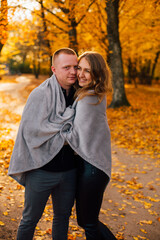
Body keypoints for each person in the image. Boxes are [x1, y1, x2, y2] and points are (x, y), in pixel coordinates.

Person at [8, 48, 78, 240]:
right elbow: (32, 133)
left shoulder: (80, 95)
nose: (72, 71)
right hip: (41, 170)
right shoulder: (39, 94)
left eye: (75, 66)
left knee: (63, 217)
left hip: (69, 171)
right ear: (54, 69)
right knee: (30, 219)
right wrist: (67, 134)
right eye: (66, 67)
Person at [63, 51, 117, 239]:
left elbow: (76, 137)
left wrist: (54, 129)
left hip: (92, 168)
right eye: (80, 68)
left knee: (89, 223)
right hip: (92, 167)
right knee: (86, 221)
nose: (81, 74)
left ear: (98, 74)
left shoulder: (88, 99)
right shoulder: (92, 94)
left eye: (88, 70)